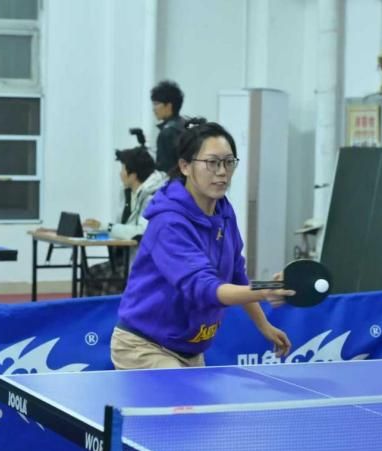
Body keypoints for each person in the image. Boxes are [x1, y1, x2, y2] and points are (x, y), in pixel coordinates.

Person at [111, 120, 293, 370]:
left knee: (194, 396)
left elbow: (236, 275)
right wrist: (266, 290)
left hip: (190, 350)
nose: (222, 172)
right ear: (185, 166)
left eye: (229, 162)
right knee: (182, 395)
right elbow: (205, 288)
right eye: (212, 162)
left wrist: (265, 326)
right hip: (144, 346)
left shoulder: (223, 212)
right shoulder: (168, 223)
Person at [83, 145, 167, 295]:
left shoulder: (153, 197)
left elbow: (139, 232)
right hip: (124, 257)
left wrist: (105, 226)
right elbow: (120, 230)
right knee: (91, 274)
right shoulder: (128, 194)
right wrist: (94, 234)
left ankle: (116, 310)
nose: (120, 174)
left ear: (133, 175)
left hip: (142, 263)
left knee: (105, 280)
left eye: (123, 169)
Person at [150, 80, 186, 173]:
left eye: (156, 104)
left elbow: (165, 170)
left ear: (169, 106)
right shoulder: (184, 124)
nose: (154, 109)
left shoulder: (167, 133)